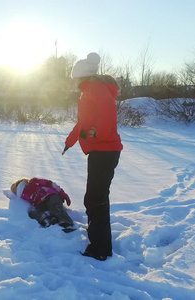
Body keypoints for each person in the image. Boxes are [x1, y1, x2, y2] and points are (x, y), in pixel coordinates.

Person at [62, 52, 123, 261]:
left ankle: (100, 249)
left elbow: (107, 115)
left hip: (104, 150)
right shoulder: (90, 90)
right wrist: (70, 141)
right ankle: (100, 244)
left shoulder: (95, 89)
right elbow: (83, 123)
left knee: (95, 199)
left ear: (82, 76)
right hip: (101, 150)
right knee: (96, 197)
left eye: (75, 78)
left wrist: (95, 133)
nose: (74, 81)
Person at [11, 177, 75, 233]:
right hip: (41, 203)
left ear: (18, 183)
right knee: (34, 213)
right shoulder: (22, 196)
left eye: (13, 187)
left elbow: (50, 183)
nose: (13, 190)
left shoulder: (33, 181)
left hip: (50, 195)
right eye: (13, 190)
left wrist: (62, 193)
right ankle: (47, 220)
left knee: (55, 208)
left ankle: (67, 224)